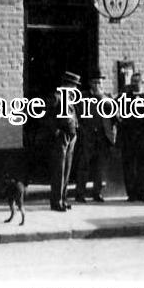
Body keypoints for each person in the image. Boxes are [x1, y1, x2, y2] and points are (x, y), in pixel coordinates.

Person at [73, 73, 116, 203]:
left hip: (103, 136)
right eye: (95, 82)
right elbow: (76, 114)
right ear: (90, 84)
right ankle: (80, 193)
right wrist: (80, 130)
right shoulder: (83, 97)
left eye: (99, 82)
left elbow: (115, 114)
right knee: (84, 165)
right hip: (88, 136)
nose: (97, 85)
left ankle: (97, 193)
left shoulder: (107, 97)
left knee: (100, 166)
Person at [118, 71, 144, 202]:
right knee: (129, 167)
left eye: (138, 81)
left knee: (143, 168)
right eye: (133, 81)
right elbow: (113, 111)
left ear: (143, 82)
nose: (135, 84)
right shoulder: (123, 97)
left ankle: (142, 193)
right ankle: (131, 194)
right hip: (128, 138)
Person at [49, 70, 81, 212]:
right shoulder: (56, 97)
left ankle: (63, 198)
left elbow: (73, 115)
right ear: (67, 85)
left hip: (71, 136)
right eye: (73, 85)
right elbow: (46, 116)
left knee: (67, 168)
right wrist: (55, 131)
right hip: (61, 137)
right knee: (59, 169)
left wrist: (76, 126)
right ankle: (56, 201)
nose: (75, 88)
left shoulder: (70, 98)